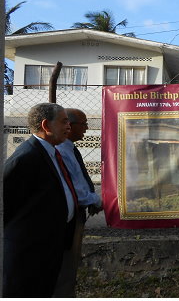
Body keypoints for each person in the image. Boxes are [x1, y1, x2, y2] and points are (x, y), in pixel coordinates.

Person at [3, 103, 76, 297]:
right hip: (29, 255)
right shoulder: (26, 158)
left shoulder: (51, 152)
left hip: (48, 248)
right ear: (46, 125)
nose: (69, 126)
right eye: (64, 121)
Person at [53, 108, 103, 297]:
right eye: (83, 124)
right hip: (70, 219)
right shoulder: (61, 151)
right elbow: (75, 189)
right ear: (70, 125)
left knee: (71, 265)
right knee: (66, 266)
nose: (86, 128)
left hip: (77, 215)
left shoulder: (69, 149)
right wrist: (96, 200)